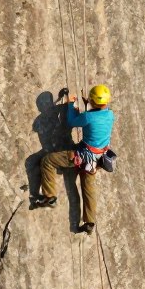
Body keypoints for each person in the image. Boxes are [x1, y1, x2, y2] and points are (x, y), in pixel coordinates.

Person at [36, 84, 114, 234]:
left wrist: (71, 104)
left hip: (82, 156)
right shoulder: (110, 115)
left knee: (47, 161)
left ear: (92, 100)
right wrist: (88, 104)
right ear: (106, 102)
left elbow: (72, 121)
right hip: (96, 160)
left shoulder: (88, 117)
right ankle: (90, 221)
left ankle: (49, 196)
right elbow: (96, 117)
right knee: (88, 188)